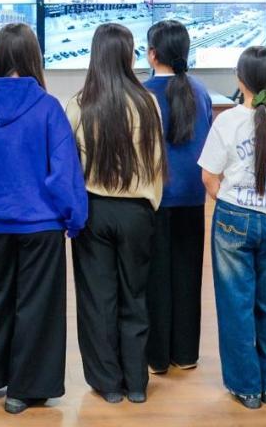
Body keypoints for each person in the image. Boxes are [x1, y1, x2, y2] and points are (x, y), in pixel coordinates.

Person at [0, 23, 87, 415]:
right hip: (41, 224)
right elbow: (63, 172)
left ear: (0, 55)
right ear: (34, 55)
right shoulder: (47, 107)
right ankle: (22, 390)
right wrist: (75, 218)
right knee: (36, 306)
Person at [199, 46, 266, 410]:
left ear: (239, 79)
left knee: (236, 305)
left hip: (233, 217)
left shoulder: (227, 121)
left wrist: (231, 198)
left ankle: (246, 388)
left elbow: (209, 176)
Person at [67, 23, 163, 405]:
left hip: (94, 211)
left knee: (98, 300)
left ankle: (108, 384)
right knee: (135, 296)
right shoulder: (147, 102)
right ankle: (136, 382)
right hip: (137, 212)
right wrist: (149, 205)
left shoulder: (79, 104)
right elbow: (157, 163)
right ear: (127, 55)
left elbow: (70, 167)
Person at [143, 20, 212, 375]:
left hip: (155, 198)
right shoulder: (200, 91)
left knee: (156, 279)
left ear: (152, 54)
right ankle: (185, 354)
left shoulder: (143, 94)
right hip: (193, 197)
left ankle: (156, 358)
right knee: (188, 275)